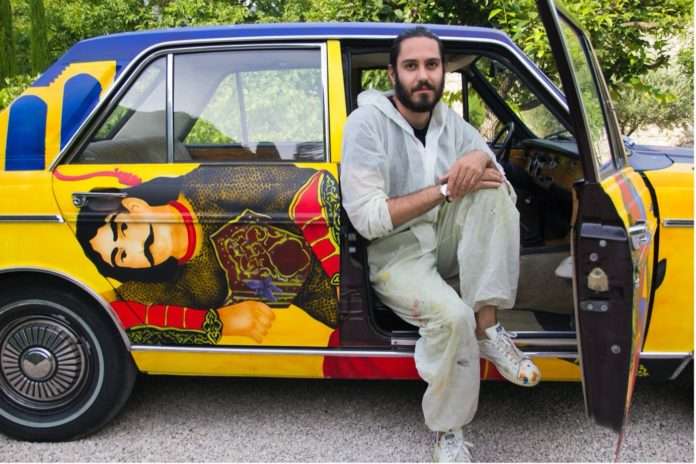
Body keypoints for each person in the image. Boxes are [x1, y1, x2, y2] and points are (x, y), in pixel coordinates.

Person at [340, 27, 540, 462]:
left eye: (431, 65)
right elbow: (368, 220)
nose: (422, 75)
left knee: (492, 191)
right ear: (392, 73)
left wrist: (480, 157)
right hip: (396, 253)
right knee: (452, 318)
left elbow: (493, 173)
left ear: (443, 71)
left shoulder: (449, 122)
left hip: (441, 239)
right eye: (411, 66)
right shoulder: (366, 124)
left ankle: (489, 328)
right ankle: (449, 430)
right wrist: (444, 190)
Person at [74, 165, 339, 344]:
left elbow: (312, 190)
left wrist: (338, 270)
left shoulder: (208, 186)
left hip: (348, 271)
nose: (135, 247)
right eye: (121, 256)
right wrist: (220, 322)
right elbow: (104, 310)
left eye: (123, 228)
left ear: (134, 204)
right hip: (332, 312)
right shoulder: (174, 285)